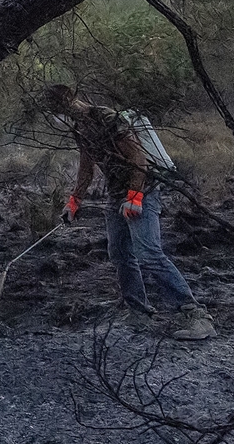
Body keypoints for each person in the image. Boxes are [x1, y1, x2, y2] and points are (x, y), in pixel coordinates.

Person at [43, 83, 215, 341]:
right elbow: (86, 168)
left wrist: (135, 196)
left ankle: (195, 315)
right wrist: (74, 202)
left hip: (143, 188)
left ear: (69, 100)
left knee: (148, 253)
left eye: (56, 109)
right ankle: (137, 311)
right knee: (120, 253)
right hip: (116, 194)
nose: (56, 116)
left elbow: (137, 157)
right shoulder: (80, 129)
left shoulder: (105, 117)